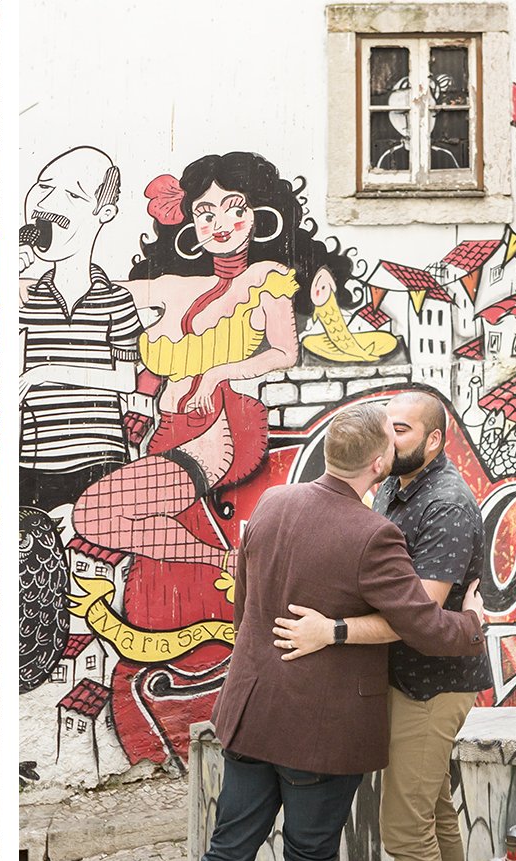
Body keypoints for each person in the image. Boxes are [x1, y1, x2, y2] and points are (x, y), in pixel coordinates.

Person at [132, 403, 487, 861]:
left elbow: (247, 603)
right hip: (319, 736)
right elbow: (423, 624)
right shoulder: (373, 533)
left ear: (331, 451)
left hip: (251, 713)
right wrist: (473, 625)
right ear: (378, 463)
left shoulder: (269, 504)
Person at [272, 391, 493, 861]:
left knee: (405, 832)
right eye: (383, 427)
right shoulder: (399, 487)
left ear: (433, 441)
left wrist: (332, 631)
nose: (386, 437)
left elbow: (420, 623)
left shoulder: (448, 506)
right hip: (410, 684)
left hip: (433, 688)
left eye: (400, 429)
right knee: (435, 818)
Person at [74, 151, 358, 569]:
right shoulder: (176, 287)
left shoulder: (267, 278)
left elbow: (285, 352)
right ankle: (219, 563)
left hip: (211, 430)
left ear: (261, 214)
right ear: (191, 225)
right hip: (165, 429)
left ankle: (224, 561)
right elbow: (89, 289)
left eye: (234, 209)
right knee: (112, 523)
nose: (219, 225)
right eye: (205, 214)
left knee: (95, 514)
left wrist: (215, 373)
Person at [19, 146, 144, 513]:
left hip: (98, 460)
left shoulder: (116, 300)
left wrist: (48, 372)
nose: (49, 202)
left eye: (73, 194)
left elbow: (126, 381)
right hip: (31, 461)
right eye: (43, 186)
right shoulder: (24, 298)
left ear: (103, 213)